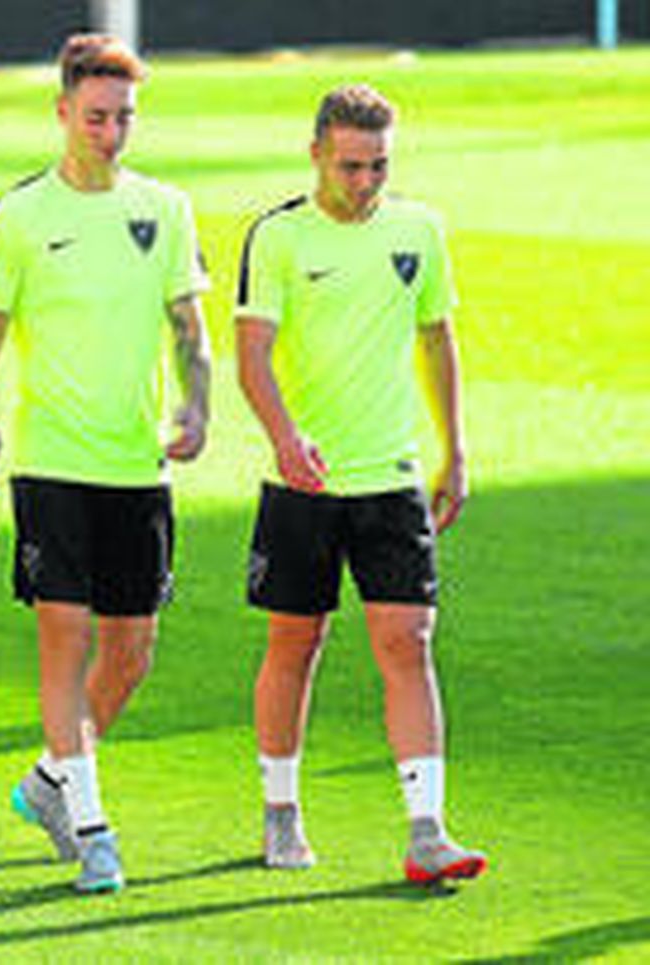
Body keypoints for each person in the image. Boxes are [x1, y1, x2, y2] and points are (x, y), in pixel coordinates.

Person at [0, 34, 212, 894]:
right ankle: (93, 825)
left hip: (137, 467)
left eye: (124, 118)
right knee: (65, 642)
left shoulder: (167, 209)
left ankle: (49, 779)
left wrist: (198, 402)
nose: (110, 132)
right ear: (62, 112)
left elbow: (190, 326)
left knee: (132, 652)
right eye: (96, 116)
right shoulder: (21, 216)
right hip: (52, 463)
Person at [235, 83, 487, 884]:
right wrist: (284, 439)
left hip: (393, 476)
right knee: (295, 644)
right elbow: (251, 355)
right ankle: (280, 810)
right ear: (316, 154)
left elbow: (436, 337)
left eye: (379, 166)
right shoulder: (276, 237)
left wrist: (455, 448)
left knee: (408, 642)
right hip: (303, 487)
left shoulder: (419, 230)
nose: (365, 181)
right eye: (350, 166)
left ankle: (427, 830)